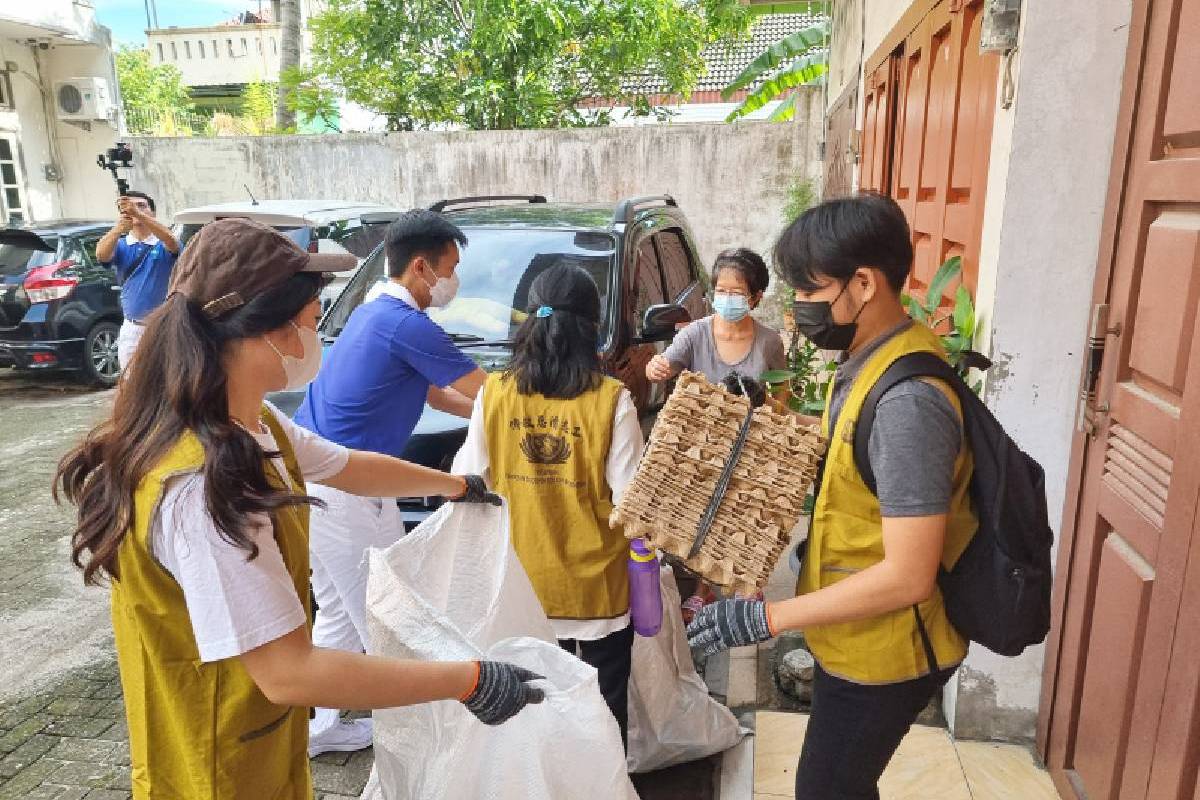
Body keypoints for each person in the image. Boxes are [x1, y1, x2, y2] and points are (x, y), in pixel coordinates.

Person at [53, 219, 543, 800]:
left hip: (261, 744)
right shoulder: (199, 486)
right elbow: (289, 671)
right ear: (269, 333)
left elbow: (347, 465)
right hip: (213, 769)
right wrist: (471, 680)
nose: (316, 335)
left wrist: (453, 485)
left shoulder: (252, 421)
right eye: (312, 320)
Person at [686, 193, 978, 800]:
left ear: (864, 284)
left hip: (886, 648)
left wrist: (765, 617)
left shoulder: (907, 403)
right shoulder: (867, 358)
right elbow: (843, 467)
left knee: (826, 789)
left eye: (810, 290)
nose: (799, 308)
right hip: (853, 632)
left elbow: (908, 576)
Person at [292, 209, 488, 754]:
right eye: (450, 268)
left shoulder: (372, 312)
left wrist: (484, 416)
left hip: (332, 481)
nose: (454, 280)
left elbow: (432, 392)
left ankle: (321, 730)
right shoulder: (407, 325)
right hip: (344, 488)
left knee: (338, 612)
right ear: (421, 267)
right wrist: (519, 410)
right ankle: (414, 739)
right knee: (385, 614)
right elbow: (489, 390)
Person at [452, 264, 644, 747]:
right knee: (603, 706)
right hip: (598, 588)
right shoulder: (612, 400)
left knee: (533, 708)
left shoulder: (494, 393)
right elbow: (631, 500)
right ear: (590, 326)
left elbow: (468, 479)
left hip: (524, 581)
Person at [645, 247, 786, 618]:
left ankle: (748, 583)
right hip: (702, 447)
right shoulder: (695, 334)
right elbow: (664, 365)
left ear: (756, 297)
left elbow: (783, 402)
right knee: (705, 515)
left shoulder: (770, 342)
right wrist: (657, 368)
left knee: (748, 515)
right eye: (721, 291)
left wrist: (766, 406)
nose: (727, 299)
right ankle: (705, 586)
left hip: (752, 443)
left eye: (737, 293)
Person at [94, 191, 180, 368]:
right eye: (129, 207)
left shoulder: (162, 241)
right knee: (131, 384)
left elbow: (172, 242)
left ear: (153, 213)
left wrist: (136, 213)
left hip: (164, 328)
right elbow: (101, 255)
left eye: (142, 205)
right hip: (133, 328)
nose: (134, 210)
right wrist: (119, 228)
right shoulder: (122, 245)